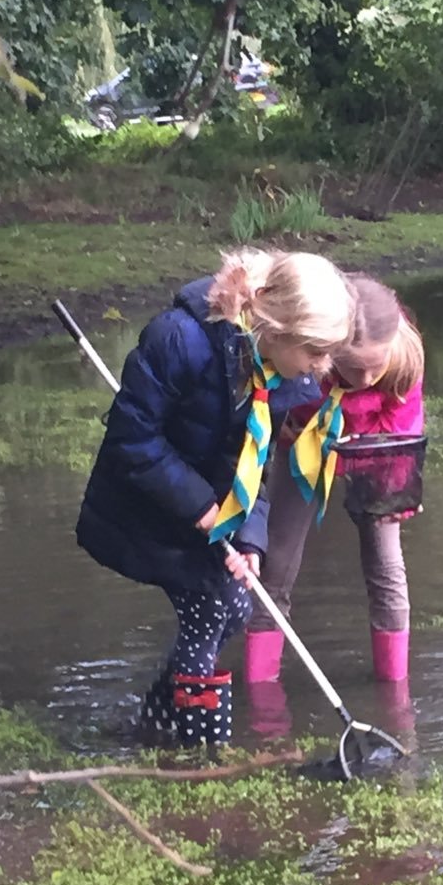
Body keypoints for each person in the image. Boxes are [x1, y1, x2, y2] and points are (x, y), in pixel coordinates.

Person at [75, 249, 355, 747]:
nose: (322, 367)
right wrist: (201, 507)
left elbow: (255, 458)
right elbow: (131, 442)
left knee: (237, 605)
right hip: (148, 505)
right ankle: (199, 750)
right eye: (315, 351)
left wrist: (249, 534)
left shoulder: (278, 374)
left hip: (211, 507)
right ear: (274, 320)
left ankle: (155, 724)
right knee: (212, 601)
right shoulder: (179, 340)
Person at [244, 274, 425, 693]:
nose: (363, 379)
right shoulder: (304, 354)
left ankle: (394, 689)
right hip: (303, 441)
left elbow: (400, 428)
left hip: (379, 451)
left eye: (373, 368)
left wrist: (379, 485)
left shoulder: (404, 363)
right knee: (274, 562)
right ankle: (261, 690)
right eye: (351, 368)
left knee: (385, 565)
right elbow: (272, 414)